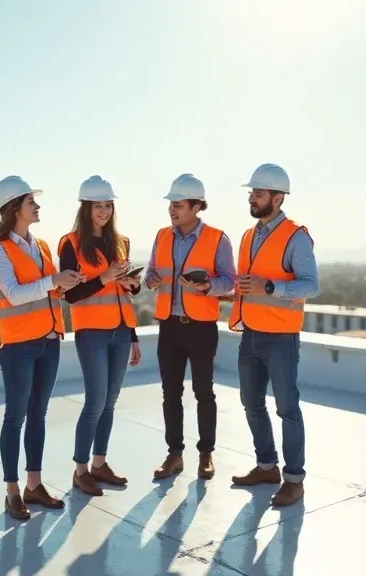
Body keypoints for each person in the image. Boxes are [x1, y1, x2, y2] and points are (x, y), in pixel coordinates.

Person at [0, 175, 85, 520]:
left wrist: (67, 282)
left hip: (48, 340)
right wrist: (52, 281)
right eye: (32, 202)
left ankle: (34, 485)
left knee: (38, 416)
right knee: (15, 417)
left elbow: (48, 289)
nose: (38, 206)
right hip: (19, 345)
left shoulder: (40, 245)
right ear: (14, 209)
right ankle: (12, 491)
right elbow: (13, 293)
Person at [227, 163, 319, 508]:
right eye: (251, 192)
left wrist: (270, 287)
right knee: (251, 403)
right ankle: (267, 466)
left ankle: (294, 480)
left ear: (278, 198)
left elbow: (311, 286)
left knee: (287, 408)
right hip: (250, 334)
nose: (252, 198)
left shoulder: (296, 236)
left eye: (258, 193)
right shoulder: (250, 235)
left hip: (280, 337)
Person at [143, 174, 236, 481]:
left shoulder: (218, 238)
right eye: (171, 204)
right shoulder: (161, 236)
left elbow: (230, 282)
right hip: (169, 327)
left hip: (200, 328)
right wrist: (151, 279)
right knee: (170, 393)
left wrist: (208, 285)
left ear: (197, 206)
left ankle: (206, 454)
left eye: (179, 205)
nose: (172, 210)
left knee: (203, 393)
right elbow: (152, 273)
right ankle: (175, 455)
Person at [57, 175, 142, 497]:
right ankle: (80, 470)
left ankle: (100, 464)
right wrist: (105, 277)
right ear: (86, 208)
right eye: (98, 206)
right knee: (95, 401)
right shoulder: (71, 243)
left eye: (108, 205)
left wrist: (131, 287)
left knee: (110, 401)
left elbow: (124, 292)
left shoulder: (121, 242)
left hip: (121, 330)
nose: (104, 211)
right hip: (91, 331)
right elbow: (69, 295)